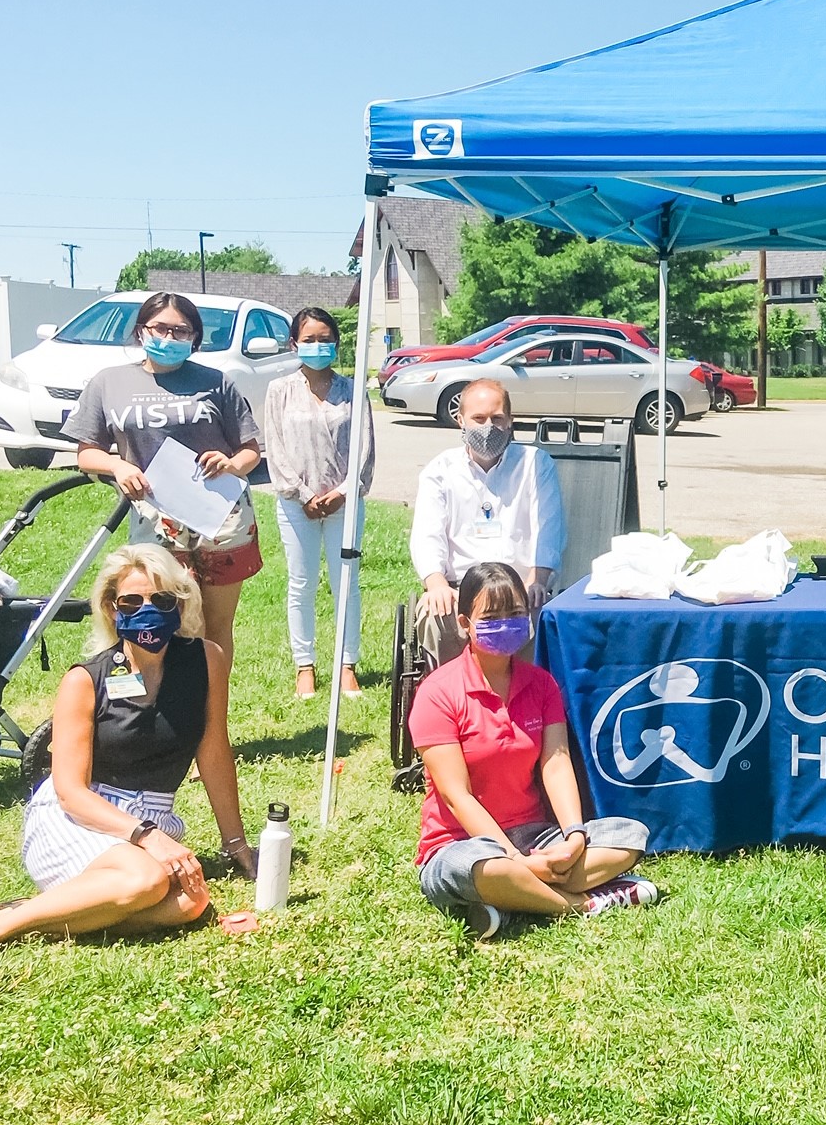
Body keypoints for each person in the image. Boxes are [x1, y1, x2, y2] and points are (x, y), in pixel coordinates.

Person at [0, 545, 256, 962]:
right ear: (111, 608)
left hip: (151, 815)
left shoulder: (206, 660)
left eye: (162, 600)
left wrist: (236, 842)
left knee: (190, 904)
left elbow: (214, 751)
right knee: (147, 882)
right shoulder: (85, 680)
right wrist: (147, 837)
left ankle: (26, 914)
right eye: (132, 601)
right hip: (80, 815)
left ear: (181, 604)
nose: (147, 610)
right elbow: (70, 793)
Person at [409, 561, 656, 937]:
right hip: (462, 843)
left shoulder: (541, 685)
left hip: (536, 836)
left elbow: (555, 764)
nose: (506, 623)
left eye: (516, 613)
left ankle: (513, 900)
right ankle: (580, 903)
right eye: (491, 616)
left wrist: (573, 837)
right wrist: (513, 859)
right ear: (464, 624)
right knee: (486, 869)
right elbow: (456, 796)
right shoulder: (437, 693)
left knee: (630, 835)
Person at [65, 292, 263, 668]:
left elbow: (251, 450)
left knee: (216, 626)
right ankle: (169, 713)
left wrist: (232, 463)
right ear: (142, 330)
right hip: (155, 518)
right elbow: (86, 453)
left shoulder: (216, 382)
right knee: (165, 619)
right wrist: (118, 467)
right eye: (161, 328)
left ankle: (212, 720)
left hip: (220, 514)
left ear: (194, 337)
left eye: (181, 330)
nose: (170, 338)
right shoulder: (109, 382)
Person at [410, 376, 564, 666]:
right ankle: (450, 696)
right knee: (434, 615)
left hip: (520, 591)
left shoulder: (536, 464)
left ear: (510, 421)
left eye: (497, 418)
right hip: (460, 591)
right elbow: (427, 534)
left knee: (543, 616)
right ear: (461, 420)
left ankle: (526, 697)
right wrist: (436, 583)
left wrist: (538, 579)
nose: (488, 427)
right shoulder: (439, 471)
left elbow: (549, 526)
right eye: (478, 418)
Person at [262, 306, 376, 700]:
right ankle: (305, 666)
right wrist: (304, 495)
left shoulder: (353, 389)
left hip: (344, 502)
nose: (318, 346)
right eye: (309, 339)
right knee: (301, 584)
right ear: (294, 344)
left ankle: (347, 665)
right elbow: (274, 449)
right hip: (297, 505)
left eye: (325, 339)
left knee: (347, 584)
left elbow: (364, 447)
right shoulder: (279, 391)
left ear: (337, 343)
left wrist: (344, 490)